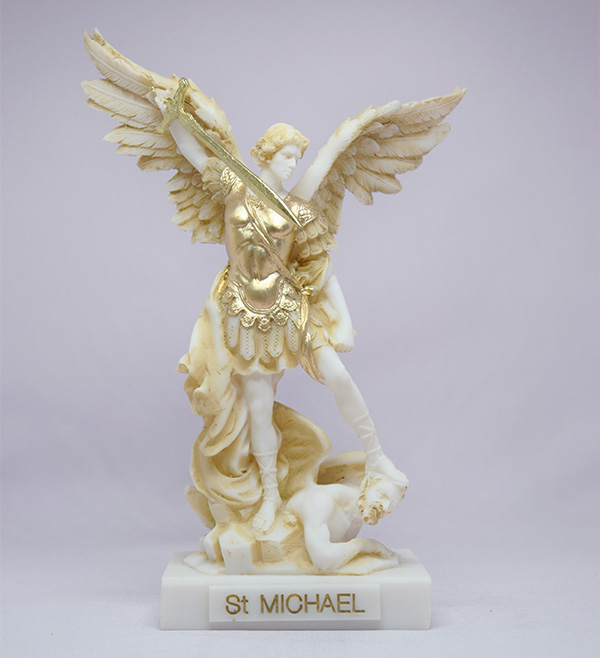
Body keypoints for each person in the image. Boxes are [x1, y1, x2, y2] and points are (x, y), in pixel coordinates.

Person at [159, 101, 404, 542]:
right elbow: (195, 156)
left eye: (297, 157)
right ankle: (271, 496)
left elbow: (322, 268)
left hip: (288, 309)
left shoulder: (297, 208)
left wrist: (344, 321)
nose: (293, 164)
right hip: (244, 313)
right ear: (267, 155)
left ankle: (377, 453)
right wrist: (172, 115)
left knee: (338, 376)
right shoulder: (233, 187)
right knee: (259, 408)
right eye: (287, 155)